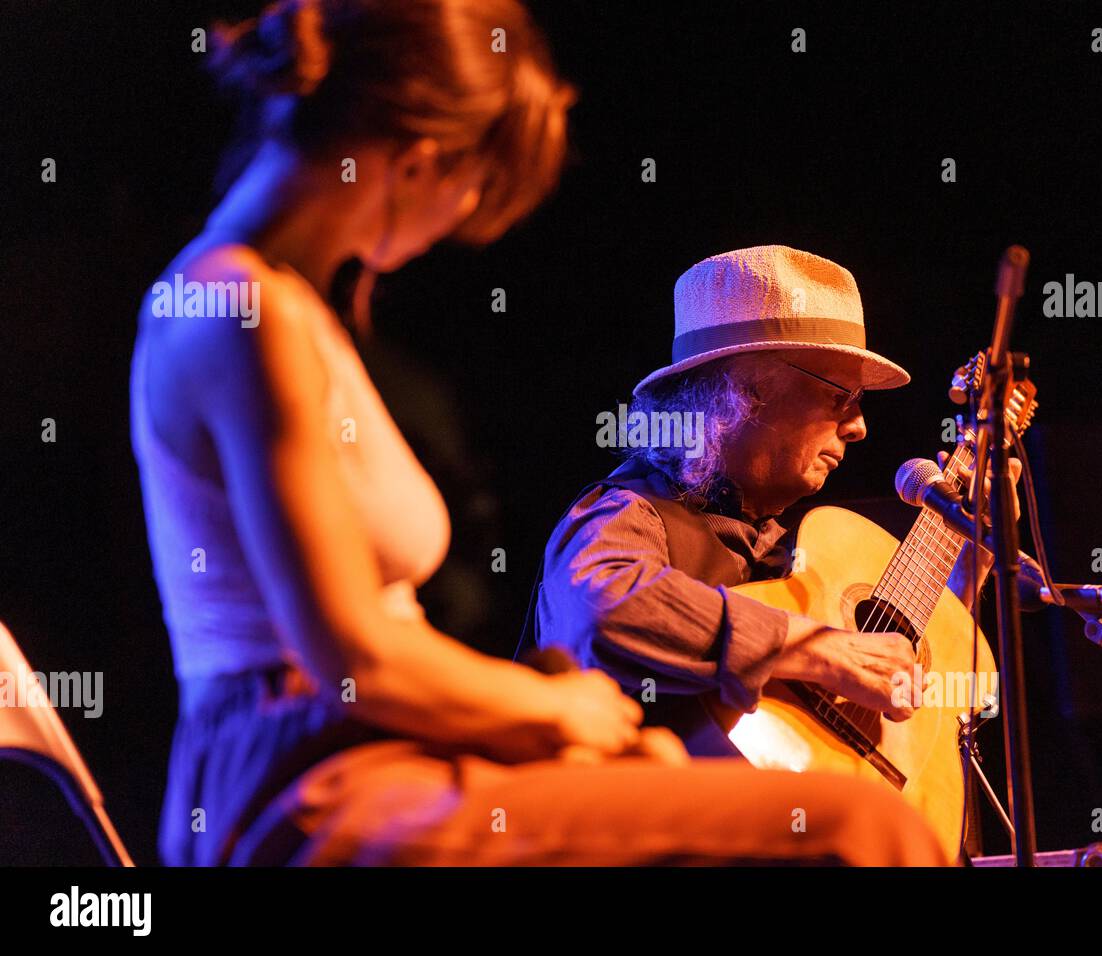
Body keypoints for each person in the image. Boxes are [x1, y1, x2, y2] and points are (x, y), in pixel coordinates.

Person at [131, 1, 948, 865]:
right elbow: (358, 659)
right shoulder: (237, 311)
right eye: (480, 186)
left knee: (694, 775)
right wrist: (551, 709)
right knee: (860, 830)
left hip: (373, 748)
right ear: (423, 159)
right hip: (305, 783)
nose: (472, 213)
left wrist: (563, 725)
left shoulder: (290, 311)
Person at [535, 245, 1021, 752]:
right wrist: (815, 649)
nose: (859, 427)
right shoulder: (626, 511)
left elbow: (908, 691)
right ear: (743, 390)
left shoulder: (797, 556)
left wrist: (971, 557)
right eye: (841, 397)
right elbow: (604, 605)